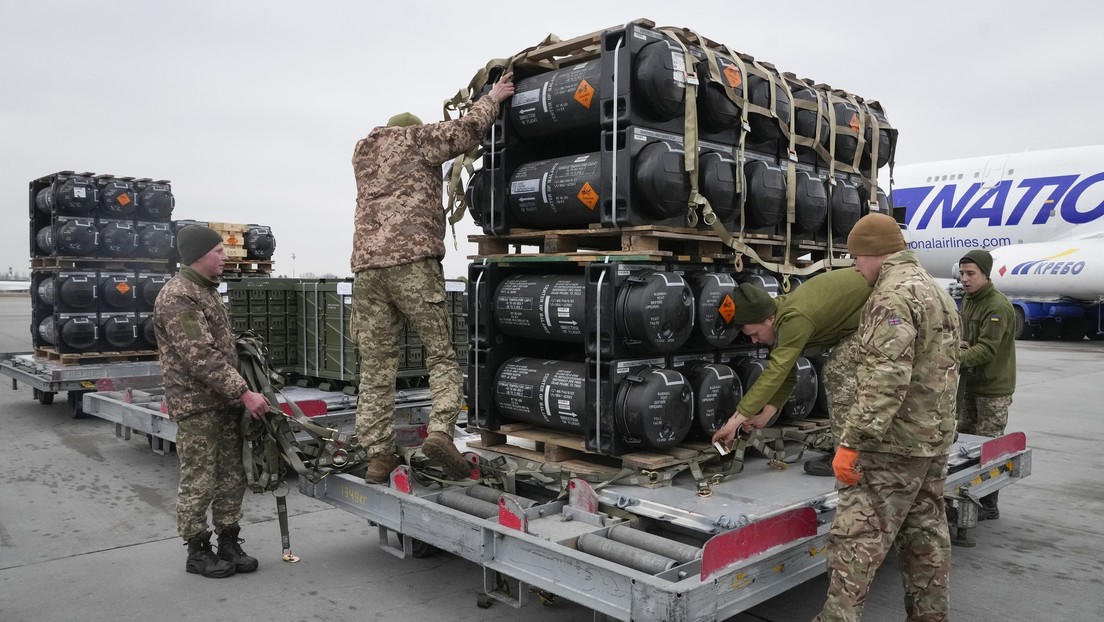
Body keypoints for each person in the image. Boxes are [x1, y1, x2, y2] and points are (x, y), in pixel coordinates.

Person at [349, 72, 516, 484]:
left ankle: (378, 456)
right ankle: (441, 431)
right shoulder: (416, 140)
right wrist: (492, 98)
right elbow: (464, 132)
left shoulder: (363, 153)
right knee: (440, 354)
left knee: (375, 368)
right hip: (413, 263)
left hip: (367, 270)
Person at [814, 213, 961, 622]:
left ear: (873, 253)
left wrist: (852, 441)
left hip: (891, 447)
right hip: (932, 441)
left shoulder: (891, 295)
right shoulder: (937, 290)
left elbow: (886, 377)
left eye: (856, 258)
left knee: (855, 540)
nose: (855, 267)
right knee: (926, 535)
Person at [154, 225, 271, 579]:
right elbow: (200, 355)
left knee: (231, 476)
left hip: (223, 402)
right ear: (199, 255)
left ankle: (229, 540)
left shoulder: (205, 292)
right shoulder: (179, 297)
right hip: (199, 405)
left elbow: (221, 347)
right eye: (219, 251)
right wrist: (244, 392)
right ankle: (197, 549)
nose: (225, 257)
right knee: (200, 478)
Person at [710, 269, 872, 475]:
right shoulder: (780, 316)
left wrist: (734, 422)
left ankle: (849, 459)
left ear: (769, 319)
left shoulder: (794, 318)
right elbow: (787, 372)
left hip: (885, 304)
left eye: (754, 333)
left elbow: (776, 372)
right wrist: (765, 415)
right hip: (867, 312)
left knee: (837, 371)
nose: (754, 340)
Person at [956, 249, 1016, 521]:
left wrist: (953, 357)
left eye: (971, 274)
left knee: (988, 448)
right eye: (962, 273)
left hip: (993, 388)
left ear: (985, 275)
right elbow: (968, 338)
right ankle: (966, 496)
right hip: (971, 383)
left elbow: (987, 349)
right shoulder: (970, 300)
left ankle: (988, 503)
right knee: (965, 444)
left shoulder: (997, 305)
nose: (965, 279)